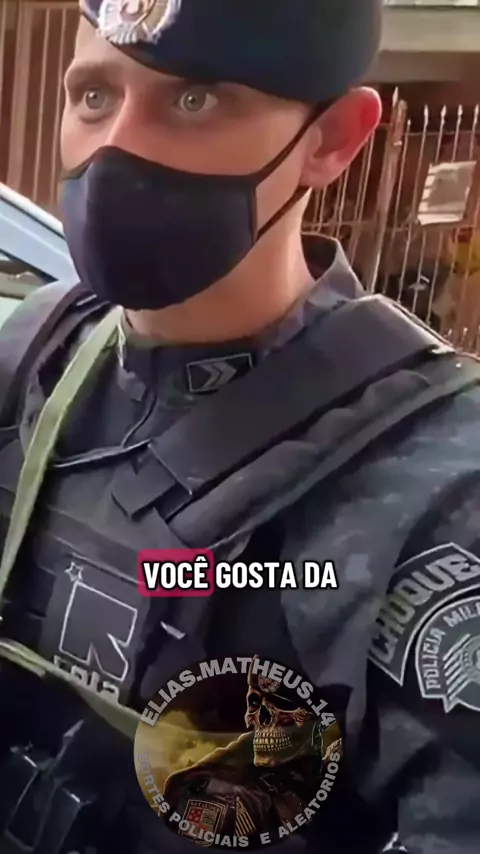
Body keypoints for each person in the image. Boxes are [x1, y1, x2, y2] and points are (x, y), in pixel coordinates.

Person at [0, 0, 479, 852]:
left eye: (195, 100)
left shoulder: (442, 488)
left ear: (331, 139)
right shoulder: (41, 345)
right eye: (94, 96)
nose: (117, 151)